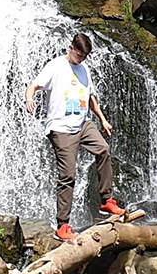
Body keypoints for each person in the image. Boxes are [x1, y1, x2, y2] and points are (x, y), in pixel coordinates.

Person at [25, 33, 123, 241]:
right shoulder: (55, 66)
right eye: (78, 55)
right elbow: (33, 85)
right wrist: (29, 99)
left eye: (84, 56)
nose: (81, 60)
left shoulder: (85, 68)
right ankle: (62, 225)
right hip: (61, 127)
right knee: (68, 175)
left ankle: (106, 200)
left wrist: (102, 119)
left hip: (82, 123)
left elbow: (90, 97)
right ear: (70, 48)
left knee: (103, 150)